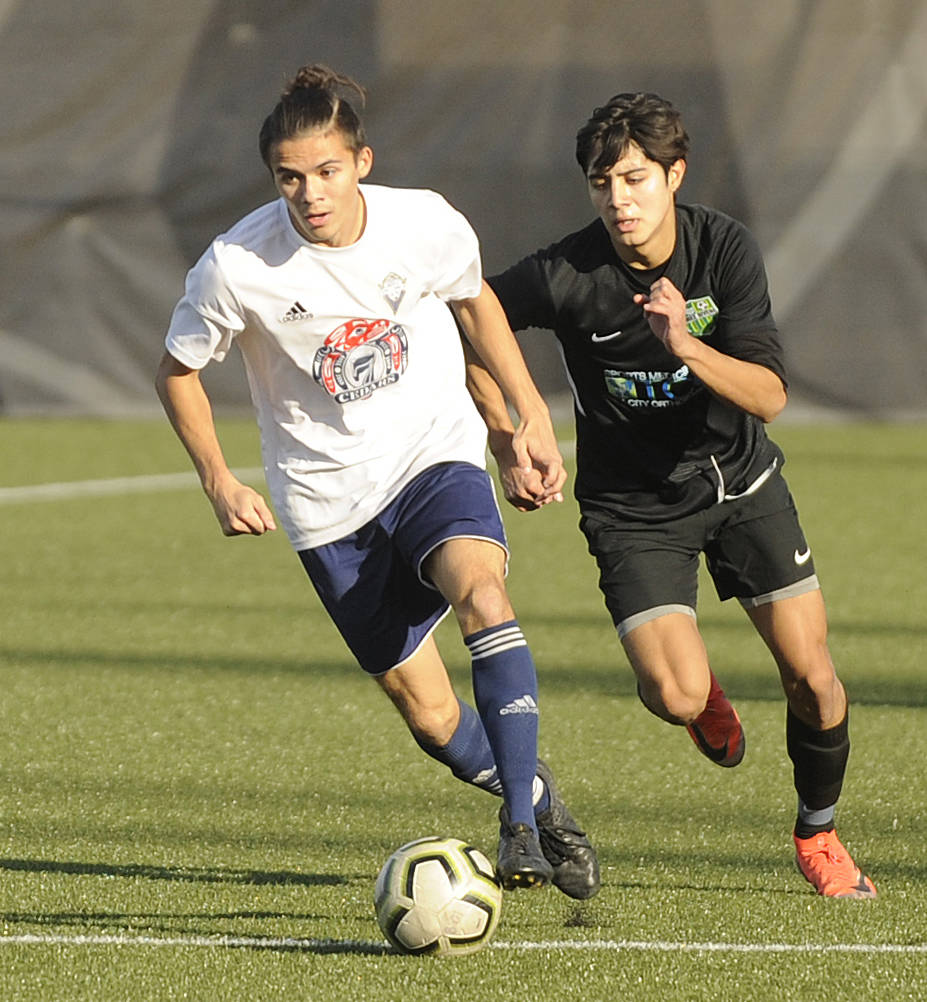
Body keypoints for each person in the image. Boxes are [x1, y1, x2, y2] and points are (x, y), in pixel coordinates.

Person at [154, 64, 599, 899]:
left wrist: (526, 414)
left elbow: (474, 306)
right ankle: (535, 792)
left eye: (326, 171)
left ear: (361, 160)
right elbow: (176, 373)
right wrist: (217, 479)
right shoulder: (237, 264)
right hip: (326, 502)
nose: (310, 193)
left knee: (484, 598)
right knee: (431, 718)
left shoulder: (422, 222)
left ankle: (514, 834)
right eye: (290, 176)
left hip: (431, 453)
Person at [467, 91, 875, 899]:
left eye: (633, 178)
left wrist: (682, 344)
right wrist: (507, 433)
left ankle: (817, 832)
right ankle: (701, 696)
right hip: (631, 508)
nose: (617, 199)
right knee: (673, 692)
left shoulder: (723, 249)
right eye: (600, 182)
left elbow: (766, 395)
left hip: (741, 483)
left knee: (813, 680)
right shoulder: (567, 271)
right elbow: (469, 316)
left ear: (672, 175)